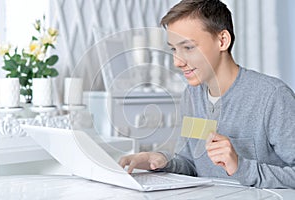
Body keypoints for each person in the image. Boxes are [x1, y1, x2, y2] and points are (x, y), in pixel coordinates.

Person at [119, 0, 295, 189]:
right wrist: (160, 161)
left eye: (188, 47)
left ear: (222, 41)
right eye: (173, 49)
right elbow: (192, 163)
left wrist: (240, 166)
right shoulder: (192, 96)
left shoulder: (272, 97)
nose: (177, 62)